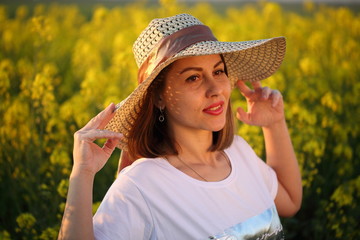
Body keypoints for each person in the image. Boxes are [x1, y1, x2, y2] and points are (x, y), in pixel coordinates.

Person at [58, 14, 302, 239]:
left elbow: (290, 202)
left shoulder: (238, 151)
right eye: (193, 77)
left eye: (218, 71)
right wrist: (82, 173)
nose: (216, 89)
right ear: (158, 97)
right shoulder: (141, 185)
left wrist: (274, 125)